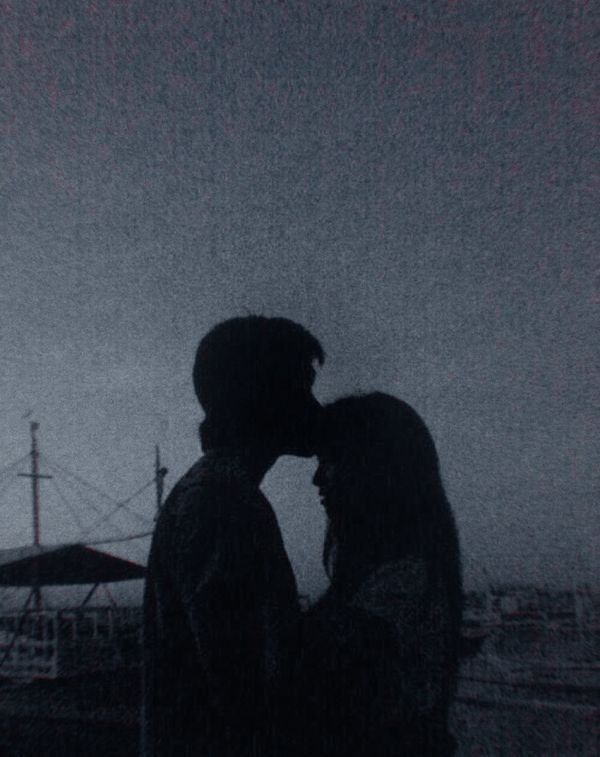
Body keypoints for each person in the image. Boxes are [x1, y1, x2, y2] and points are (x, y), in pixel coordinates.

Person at [142, 316, 324, 757]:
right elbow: (246, 696)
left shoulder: (215, 495)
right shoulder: (223, 504)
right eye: (302, 388)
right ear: (260, 396)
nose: (316, 409)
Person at [297, 392, 463, 757]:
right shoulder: (396, 580)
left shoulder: (402, 585)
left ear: (374, 466)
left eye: (332, 458)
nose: (317, 477)